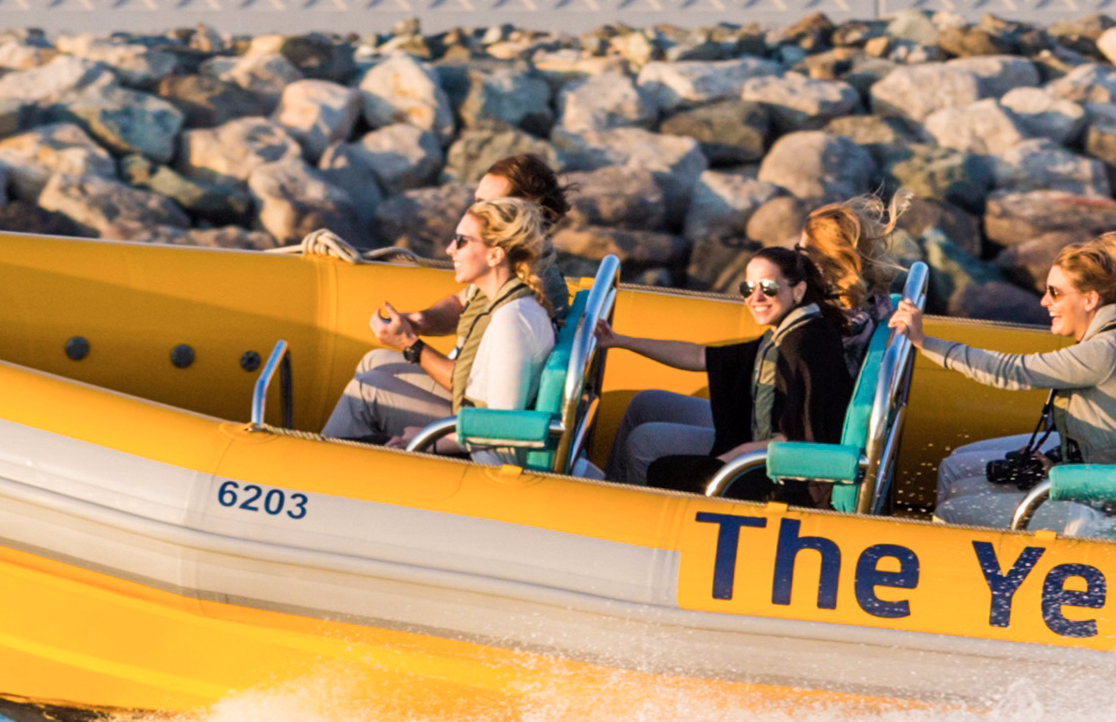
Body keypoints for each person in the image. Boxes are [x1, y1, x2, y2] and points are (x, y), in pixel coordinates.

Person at [895, 238, 1116, 534]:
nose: (1044, 302)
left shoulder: (1108, 350)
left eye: (1055, 292)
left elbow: (1012, 372)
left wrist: (924, 342)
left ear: (1090, 299)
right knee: (955, 473)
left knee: (952, 509)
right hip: (1100, 483)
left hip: (1106, 507)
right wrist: (1052, 460)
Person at [604, 244, 860, 491]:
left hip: (769, 466)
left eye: (768, 288)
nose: (755, 297)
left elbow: (800, 438)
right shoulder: (782, 333)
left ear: (798, 290)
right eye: (747, 287)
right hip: (753, 430)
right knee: (647, 403)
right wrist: (621, 340)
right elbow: (699, 356)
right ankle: (607, 488)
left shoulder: (803, 347)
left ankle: (623, 517)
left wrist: (729, 458)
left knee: (644, 441)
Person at [321, 194, 558, 446]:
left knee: (366, 391)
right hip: (467, 412)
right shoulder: (505, 298)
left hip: (476, 450)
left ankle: (316, 476)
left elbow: (498, 430)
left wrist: (430, 437)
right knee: (375, 362)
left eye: (461, 241)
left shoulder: (511, 321)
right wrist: (419, 323)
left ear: (495, 255)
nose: (449, 249)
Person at [382, 155, 573, 345]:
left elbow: (476, 374)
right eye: (476, 201)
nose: (473, 212)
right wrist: (423, 320)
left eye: (487, 204)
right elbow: (463, 301)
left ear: (527, 208)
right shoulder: (506, 258)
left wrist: (411, 346)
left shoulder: (522, 287)